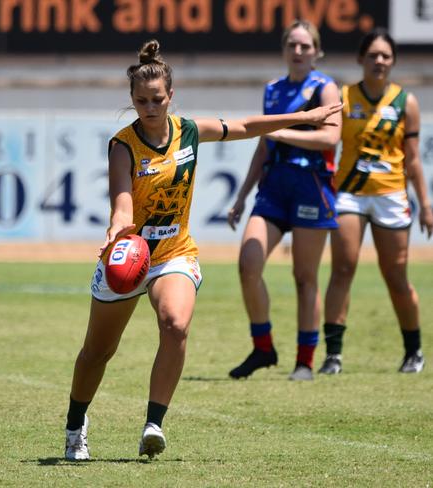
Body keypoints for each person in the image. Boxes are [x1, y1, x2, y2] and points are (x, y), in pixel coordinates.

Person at [63, 39, 341, 461]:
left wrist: (304, 117)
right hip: (130, 255)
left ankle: (153, 424)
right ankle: (75, 426)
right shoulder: (123, 145)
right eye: (141, 101)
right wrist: (117, 228)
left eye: (157, 99)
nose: (150, 107)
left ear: (171, 97)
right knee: (98, 351)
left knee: (175, 324)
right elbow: (122, 203)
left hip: (174, 252)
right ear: (132, 100)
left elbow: (247, 126)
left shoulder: (189, 130)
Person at [226, 20, 342, 381]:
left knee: (304, 276)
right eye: (292, 44)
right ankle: (264, 348)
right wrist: (243, 195)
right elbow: (263, 145)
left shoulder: (326, 88)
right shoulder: (273, 90)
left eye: (305, 46)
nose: (298, 51)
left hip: (310, 185)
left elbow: (330, 139)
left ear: (317, 51)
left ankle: (305, 361)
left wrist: (281, 131)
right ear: (283, 49)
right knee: (249, 263)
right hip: (273, 188)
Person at [319, 28, 433, 375]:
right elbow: (328, 144)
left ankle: (413, 351)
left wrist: (425, 205)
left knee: (396, 276)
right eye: (373, 55)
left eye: (386, 56)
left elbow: (412, 158)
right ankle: (333, 355)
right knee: (342, 269)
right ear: (361, 59)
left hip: (391, 195)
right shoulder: (343, 96)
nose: (379, 61)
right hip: (350, 194)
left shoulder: (405, 102)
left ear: (393, 61)